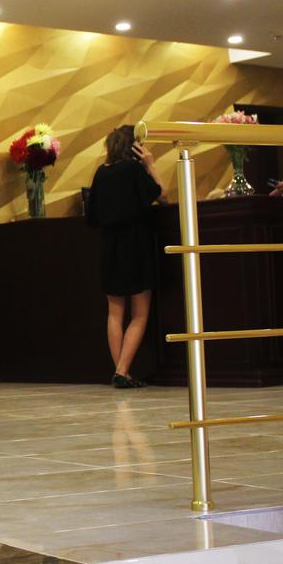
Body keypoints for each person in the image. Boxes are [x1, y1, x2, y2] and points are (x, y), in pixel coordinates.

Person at [86, 125, 168, 388]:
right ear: (135, 147)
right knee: (140, 313)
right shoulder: (133, 169)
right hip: (136, 244)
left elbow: (92, 215)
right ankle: (122, 371)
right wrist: (151, 165)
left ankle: (120, 372)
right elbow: (162, 195)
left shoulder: (101, 172)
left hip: (109, 246)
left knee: (114, 313)